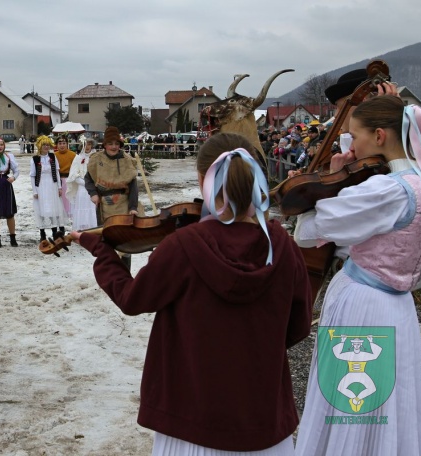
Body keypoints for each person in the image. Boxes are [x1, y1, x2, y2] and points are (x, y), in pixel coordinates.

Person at [71, 132, 312, 455]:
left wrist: (102, 252)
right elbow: (298, 326)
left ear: (203, 180)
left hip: (190, 421)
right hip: (262, 421)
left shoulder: (184, 246)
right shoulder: (281, 245)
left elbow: (132, 298)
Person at [293, 95, 421, 456]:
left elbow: (307, 232)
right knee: (386, 403)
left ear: (380, 136)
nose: (351, 145)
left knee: (351, 402)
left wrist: (328, 185)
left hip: (363, 307)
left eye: (355, 136)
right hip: (399, 308)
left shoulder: (385, 190)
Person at [85, 126, 140, 269]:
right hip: (104, 206)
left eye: (116, 144)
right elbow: (89, 179)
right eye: (110, 143)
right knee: (107, 241)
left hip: (123, 204)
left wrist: (133, 207)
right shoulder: (96, 160)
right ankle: (111, 273)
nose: (114, 147)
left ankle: (125, 273)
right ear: (105, 145)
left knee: (125, 242)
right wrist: (93, 193)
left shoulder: (127, 161)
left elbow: (133, 186)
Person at [30, 135, 67, 241]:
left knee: (54, 207)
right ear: (39, 146)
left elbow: (57, 172)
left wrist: (59, 187)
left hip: (52, 185)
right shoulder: (34, 159)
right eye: (44, 145)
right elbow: (32, 176)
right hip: (41, 185)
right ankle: (42, 233)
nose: (46, 147)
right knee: (42, 208)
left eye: (48, 145)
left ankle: (55, 231)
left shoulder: (52, 156)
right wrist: (34, 190)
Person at [67, 138, 98, 230]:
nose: (87, 147)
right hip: (82, 188)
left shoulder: (96, 157)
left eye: (89, 144)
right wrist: (85, 183)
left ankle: (92, 227)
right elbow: (73, 174)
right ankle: (82, 228)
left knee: (92, 207)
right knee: (82, 207)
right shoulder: (78, 158)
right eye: (85, 144)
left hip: (94, 189)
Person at [53, 134, 77, 217]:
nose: (62, 145)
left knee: (69, 199)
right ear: (57, 145)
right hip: (58, 180)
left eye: (64, 143)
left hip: (69, 180)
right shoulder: (54, 156)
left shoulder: (73, 155)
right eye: (60, 143)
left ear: (67, 144)